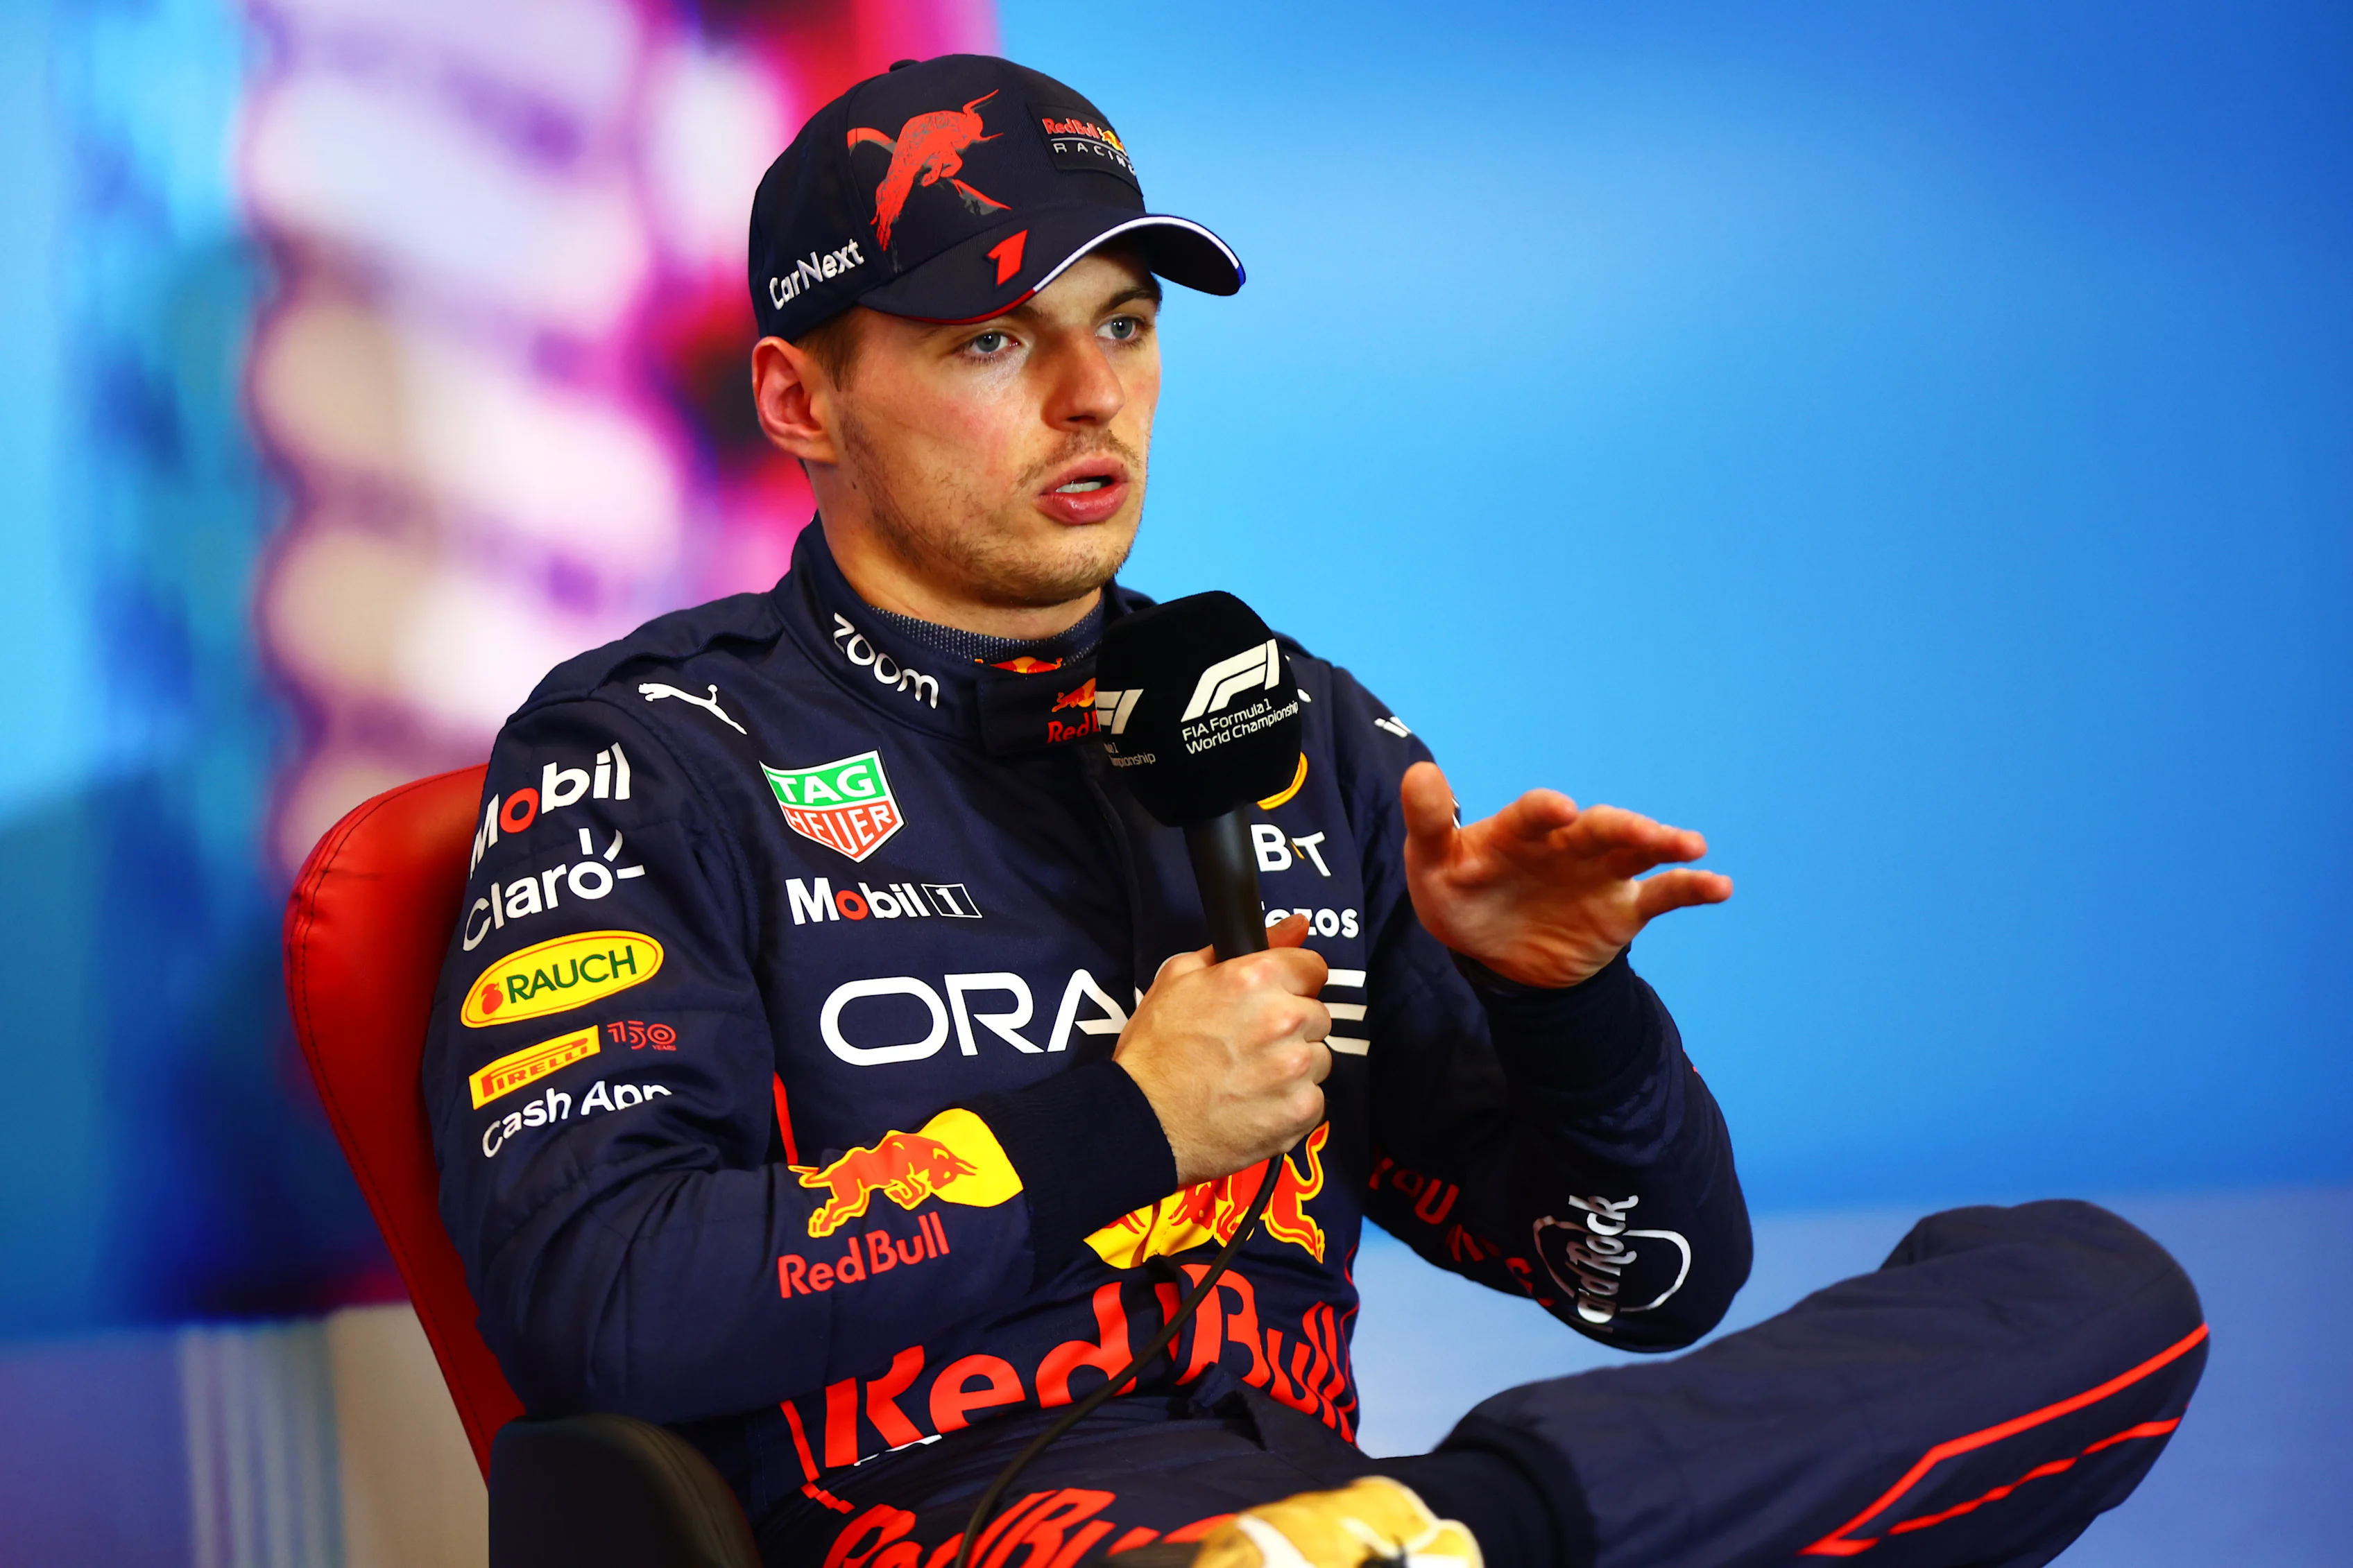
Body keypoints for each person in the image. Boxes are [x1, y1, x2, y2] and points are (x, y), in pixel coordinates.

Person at [425, 53, 2205, 1568]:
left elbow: (1648, 1285)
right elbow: (609, 1304)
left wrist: (1561, 1003)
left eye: (1122, 325)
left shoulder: (1296, 728)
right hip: (963, 1519)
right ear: (800, 396)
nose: (1090, 393)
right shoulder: (651, 750)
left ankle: (1447, 1546)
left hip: (1353, 1509)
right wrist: (1120, 1122)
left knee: (2091, 1291)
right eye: (990, 342)